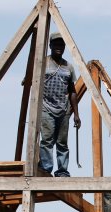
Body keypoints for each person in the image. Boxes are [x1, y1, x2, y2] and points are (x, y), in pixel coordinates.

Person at [38, 32, 81, 178]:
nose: (59, 47)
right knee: (47, 140)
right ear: (50, 46)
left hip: (63, 109)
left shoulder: (68, 67)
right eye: (56, 44)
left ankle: (62, 171)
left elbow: (72, 91)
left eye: (61, 45)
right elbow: (32, 76)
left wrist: (76, 114)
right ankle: (45, 168)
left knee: (62, 143)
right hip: (46, 107)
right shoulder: (43, 62)